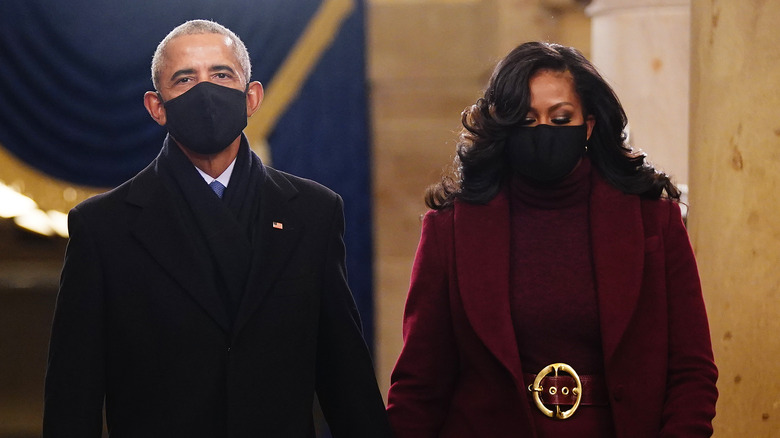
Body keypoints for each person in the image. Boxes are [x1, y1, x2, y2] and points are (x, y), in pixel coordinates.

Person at [43, 19, 392, 437]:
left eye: (221, 74)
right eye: (185, 78)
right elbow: (73, 396)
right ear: (157, 107)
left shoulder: (313, 213)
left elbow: (345, 374)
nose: (205, 91)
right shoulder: (103, 227)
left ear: (252, 96)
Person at [387, 42, 718, 437]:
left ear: (589, 124)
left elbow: (691, 371)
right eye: (526, 120)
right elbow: (420, 384)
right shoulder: (451, 230)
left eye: (560, 119)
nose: (543, 131)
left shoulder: (654, 221)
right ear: (504, 127)